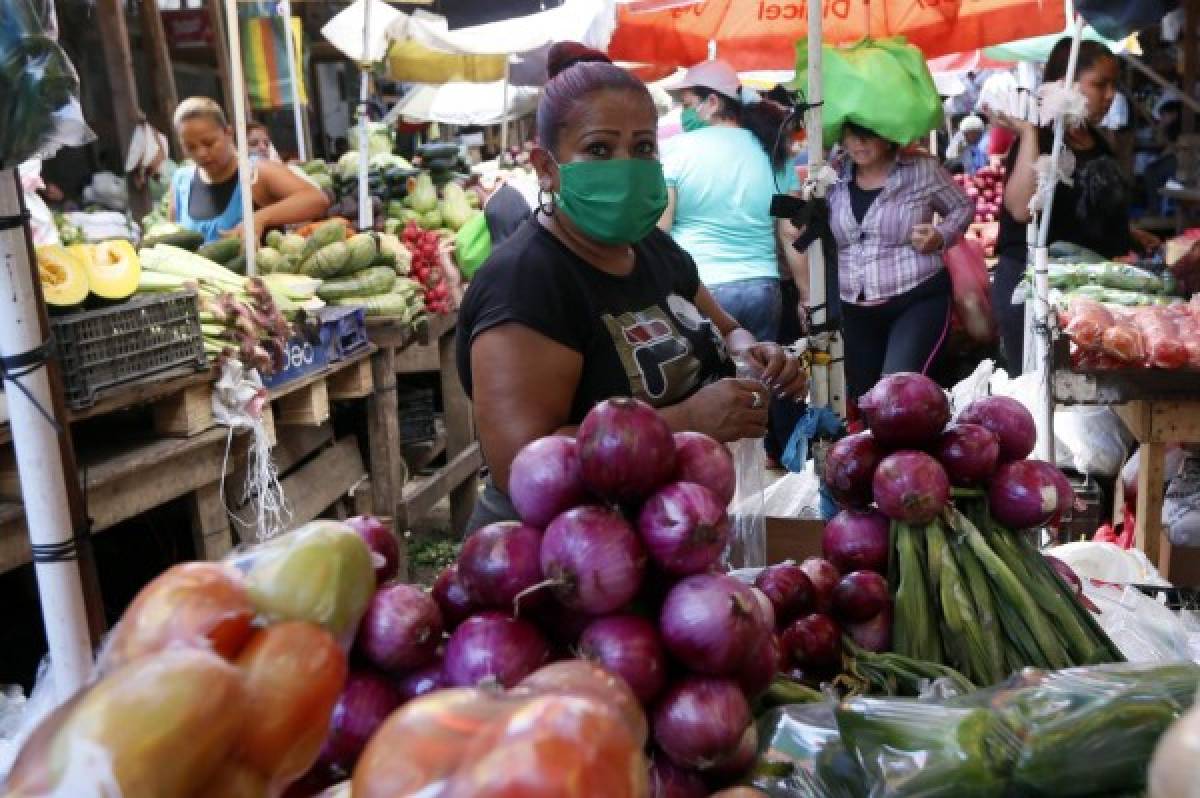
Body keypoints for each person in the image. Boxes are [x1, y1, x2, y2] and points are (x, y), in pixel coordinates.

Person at [456, 43, 808, 532]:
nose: (626, 165)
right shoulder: (527, 283)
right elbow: (524, 466)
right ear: (545, 167)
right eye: (599, 149)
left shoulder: (651, 249)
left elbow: (727, 329)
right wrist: (686, 420)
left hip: (665, 534)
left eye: (643, 148)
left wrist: (759, 354)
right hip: (562, 562)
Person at [989, 39, 1162, 374]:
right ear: (1065, 83)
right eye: (1100, 84)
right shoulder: (1040, 138)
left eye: (1114, 84)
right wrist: (1026, 132)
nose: (1111, 95)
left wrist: (1127, 233)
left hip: (1085, 292)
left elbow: (1081, 209)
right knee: (1042, 392)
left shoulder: (1095, 140)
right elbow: (1022, 211)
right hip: (1035, 290)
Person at [657, 60, 803, 345]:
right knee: (763, 376)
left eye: (688, 105)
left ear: (712, 101)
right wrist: (807, 295)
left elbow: (661, 228)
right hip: (763, 288)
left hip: (700, 288)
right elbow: (791, 231)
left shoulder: (675, 151)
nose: (684, 114)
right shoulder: (773, 152)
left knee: (713, 383)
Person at [828, 120, 973, 401]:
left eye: (867, 134)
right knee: (866, 399)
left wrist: (941, 234)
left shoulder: (922, 170)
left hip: (916, 298)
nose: (858, 143)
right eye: (850, 136)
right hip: (854, 308)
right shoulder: (831, 176)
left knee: (897, 394)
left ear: (888, 134)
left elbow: (962, 206)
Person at [168, 97, 329, 243]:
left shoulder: (258, 173)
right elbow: (175, 235)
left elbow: (317, 199)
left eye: (209, 143)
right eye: (190, 147)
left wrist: (260, 218)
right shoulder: (181, 180)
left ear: (228, 133)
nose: (201, 153)